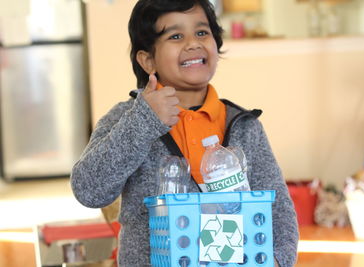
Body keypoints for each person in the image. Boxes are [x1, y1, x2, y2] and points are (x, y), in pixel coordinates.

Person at [70, 0, 299, 266]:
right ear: (147, 60)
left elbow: (279, 210)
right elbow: (89, 191)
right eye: (176, 36)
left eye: (202, 32)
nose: (193, 43)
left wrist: (277, 260)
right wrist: (144, 122)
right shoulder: (126, 119)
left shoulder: (244, 126)